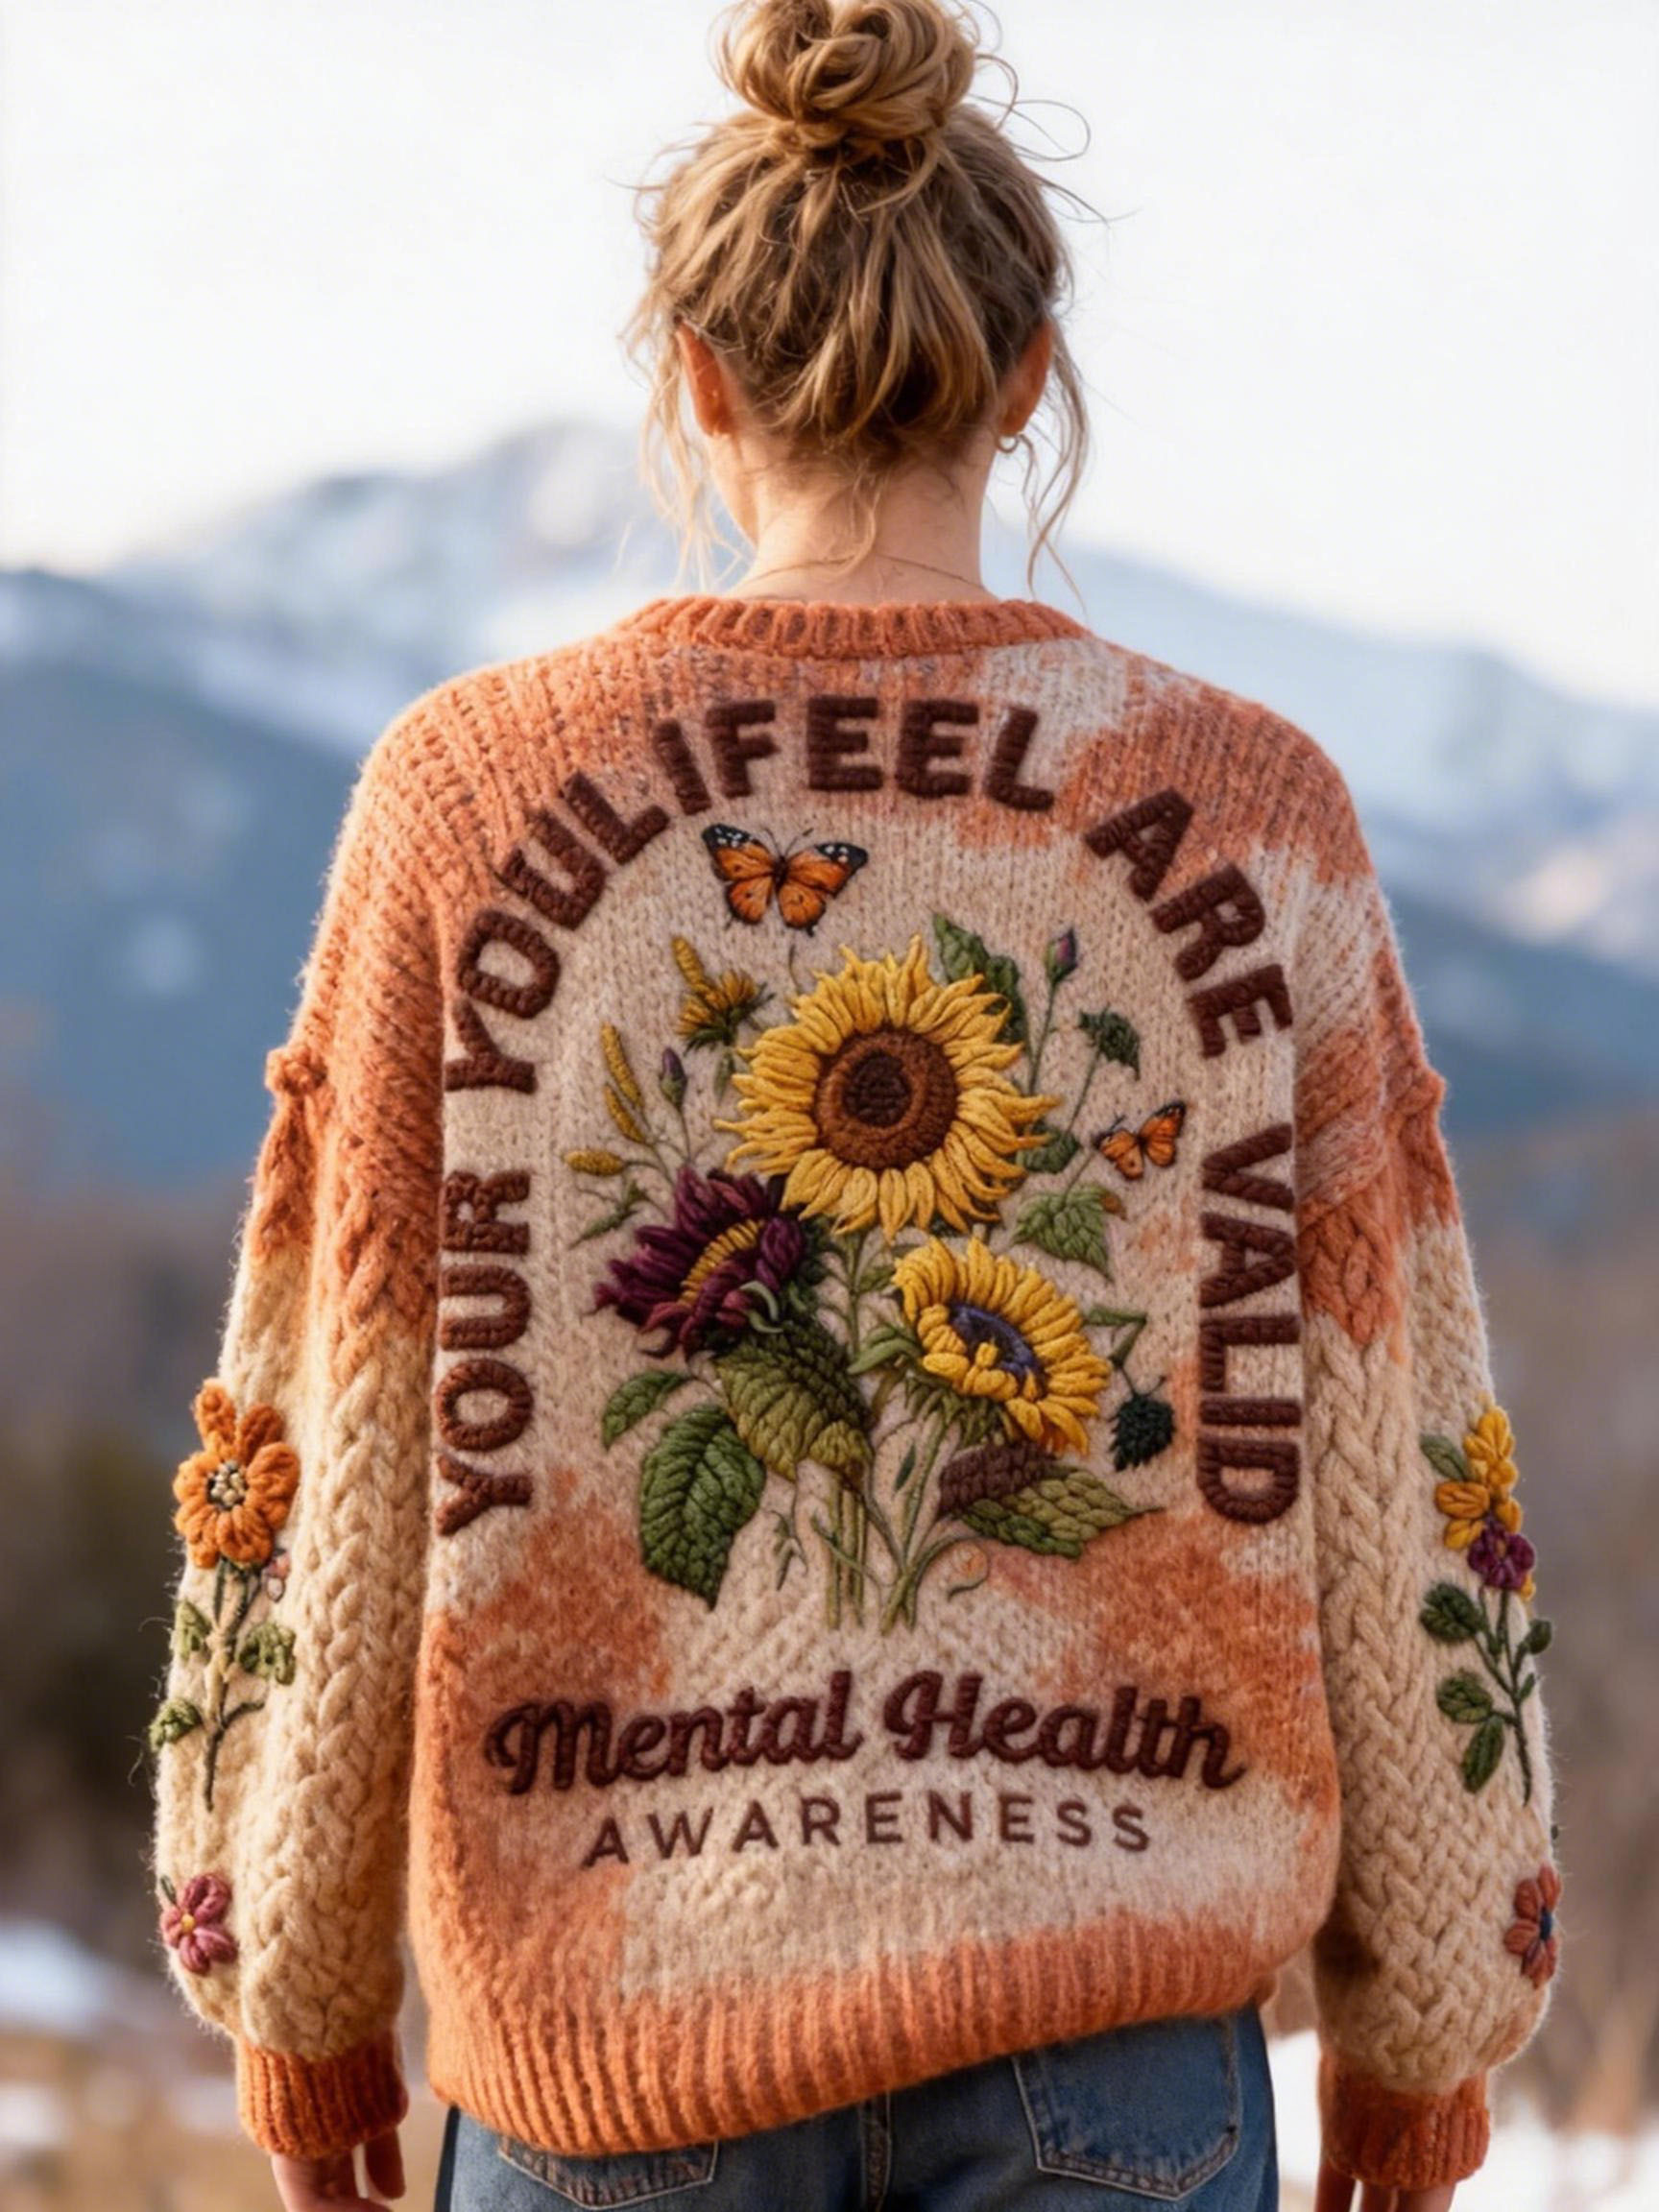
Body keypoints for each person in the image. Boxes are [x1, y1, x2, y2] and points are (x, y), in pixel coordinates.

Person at [147, 3, 1563, 2208]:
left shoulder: (469, 801)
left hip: (610, 2051)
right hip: (1117, 2050)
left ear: (694, 378)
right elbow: (1397, 1437)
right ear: (1025, 377)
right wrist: (1439, 2005)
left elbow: (333, 1420)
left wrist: (299, 1991)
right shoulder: (1253, 809)